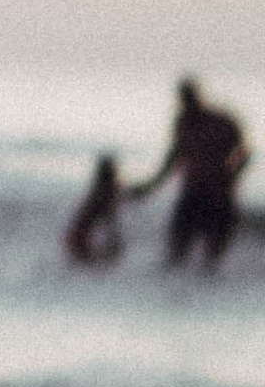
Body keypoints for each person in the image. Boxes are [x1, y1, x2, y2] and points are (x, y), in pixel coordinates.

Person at [125, 80, 251, 268]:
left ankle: (203, 290)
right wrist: (149, 187)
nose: (186, 103)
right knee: (177, 252)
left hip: (218, 194)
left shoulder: (221, 121)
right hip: (194, 191)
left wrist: (230, 177)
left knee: (211, 258)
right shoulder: (183, 123)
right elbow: (173, 158)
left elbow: (244, 152)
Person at [63, 154, 125, 265]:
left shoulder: (97, 192)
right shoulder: (106, 193)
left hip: (74, 241)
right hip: (81, 244)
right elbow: (109, 220)